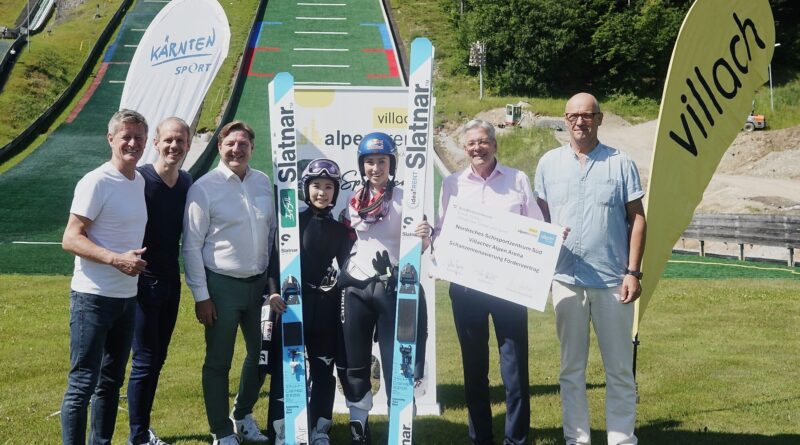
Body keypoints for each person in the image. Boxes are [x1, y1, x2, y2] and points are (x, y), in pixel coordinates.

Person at [534, 93, 646, 445]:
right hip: (566, 279)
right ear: (564, 120)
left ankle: (622, 439)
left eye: (587, 115)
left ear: (599, 119)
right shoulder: (548, 164)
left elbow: (637, 219)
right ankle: (576, 439)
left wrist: (633, 272)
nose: (579, 122)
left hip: (613, 281)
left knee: (619, 370)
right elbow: (538, 220)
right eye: (573, 116)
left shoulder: (620, 162)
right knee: (571, 370)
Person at [433, 119, 544, 445]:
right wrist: (433, 244)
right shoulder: (453, 184)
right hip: (467, 290)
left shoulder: (517, 179)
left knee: (514, 369)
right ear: (465, 149)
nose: (477, 148)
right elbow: (442, 232)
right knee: (474, 367)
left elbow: (535, 227)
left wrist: (549, 239)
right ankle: (480, 437)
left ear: (494, 145)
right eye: (471, 144)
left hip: (509, 288)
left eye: (483, 142)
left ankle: (516, 439)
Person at [183, 120, 277, 445]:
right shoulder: (204, 187)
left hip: (259, 287)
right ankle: (221, 430)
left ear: (252, 147)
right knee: (219, 361)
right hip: (221, 286)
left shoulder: (263, 182)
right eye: (230, 143)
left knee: (261, 354)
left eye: (243, 144)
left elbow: (273, 235)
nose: (237, 149)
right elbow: (191, 245)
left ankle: (243, 413)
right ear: (220, 147)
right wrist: (201, 295)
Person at [60, 109, 149, 445]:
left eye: (138, 137)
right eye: (125, 136)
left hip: (127, 298)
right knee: (83, 383)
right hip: (92, 298)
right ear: (110, 139)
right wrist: (116, 260)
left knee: (112, 381)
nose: (132, 143)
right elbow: (70, 237)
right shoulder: (95, 181)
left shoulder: (138, 180)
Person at [337, 132, 431, 444]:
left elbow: (424, 244)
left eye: (381, 161)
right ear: (361, 165)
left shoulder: (407, 198)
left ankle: (401, 427)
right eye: (369, 161)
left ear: (391, 164)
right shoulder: (353, 199)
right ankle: (358, 424)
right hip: (358, 289)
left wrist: (425, 234)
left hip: (395, 289)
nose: (375, 167)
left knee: (398, 363)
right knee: (356, 362)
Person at [266, 158, 355, 445]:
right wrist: (273, 292)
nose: (322, 192)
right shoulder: (290, 224)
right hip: (291, 306)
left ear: (335, 191)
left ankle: (319, 430)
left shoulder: (341, 231)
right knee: (286, 367)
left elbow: (348, 271)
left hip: (325, 309)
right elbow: (273, 264)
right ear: (306, 188)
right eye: (316, 185)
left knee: (322, 370)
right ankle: (282, 428)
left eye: (329, 187)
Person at [126, 117, 193, 445]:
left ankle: (142, 430)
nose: (174, 146)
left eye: (180, 141)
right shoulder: (139, 179)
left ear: (188, 146)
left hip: (171, 283)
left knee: (158, 359)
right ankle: (137, 436)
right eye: (168, 140)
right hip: (141, 285)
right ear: (156, 142)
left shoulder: (187, 183)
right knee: (144, 361)